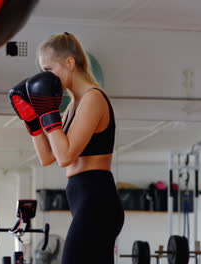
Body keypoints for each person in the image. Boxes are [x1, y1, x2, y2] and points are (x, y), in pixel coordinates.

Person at [9, 32, 124, 264]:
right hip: (85, 199)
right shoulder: (73, 106)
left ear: (70, 63)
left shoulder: (93, 98)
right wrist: (32, 121)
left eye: (49, 69)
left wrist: (48, 114)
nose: (46, 77)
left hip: (96, 197)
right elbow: (48, 157)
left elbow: (66, 156)